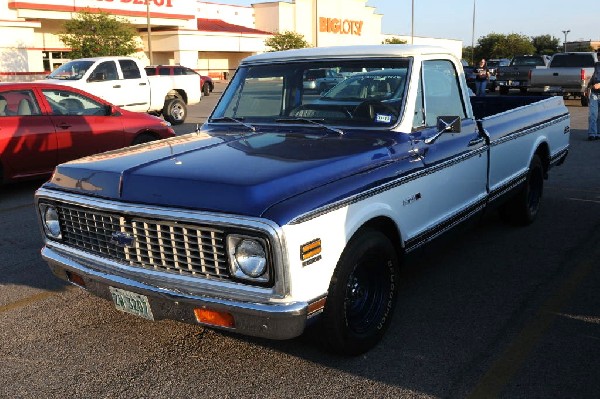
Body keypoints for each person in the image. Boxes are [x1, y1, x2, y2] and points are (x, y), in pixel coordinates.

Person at [586, 61, 600, 141]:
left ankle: (598, 133)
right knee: (593, 114)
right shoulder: (595, 65)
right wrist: (586, 87)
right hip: (594, 93)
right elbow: (590, 77)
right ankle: (592, 133)